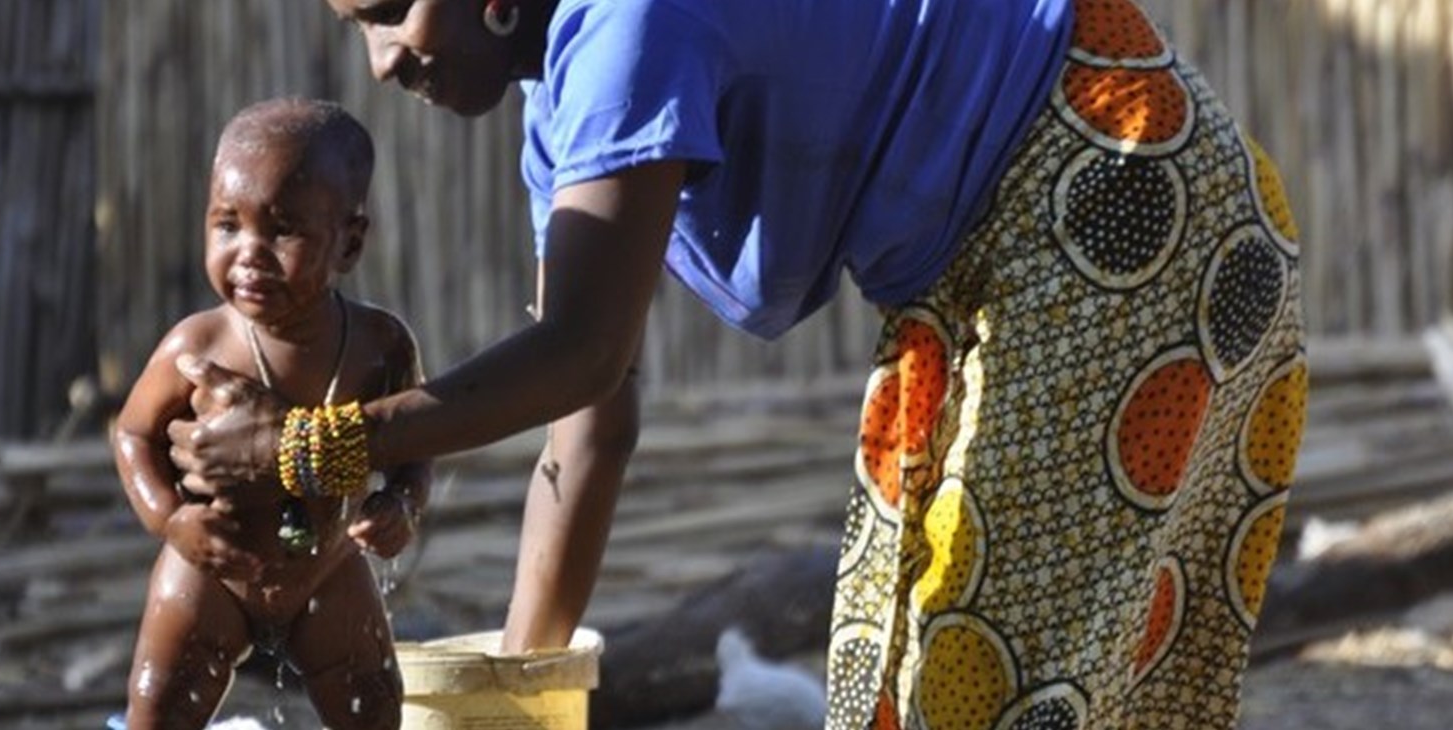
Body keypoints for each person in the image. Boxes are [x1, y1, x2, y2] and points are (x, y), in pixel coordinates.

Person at [167, 0, 1308, 726]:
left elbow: (580, 353)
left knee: (981, 677)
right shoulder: (566, 106)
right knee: (895, 666)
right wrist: (516, 687)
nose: (381, 63)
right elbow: (591, 420)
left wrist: (314, 442)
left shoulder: (633, 21)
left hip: (1113, 200)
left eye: (389, 12)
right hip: (999, 268)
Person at [113, 97, 429, 730]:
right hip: (212, 566)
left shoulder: (380, 347)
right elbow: (132, 434)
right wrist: (171, 520)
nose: (250, 252)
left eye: (282, 229)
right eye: (227, 226)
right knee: (159, 707)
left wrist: (402, 504)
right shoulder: (197, 346)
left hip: (329, 564)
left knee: (375, 706)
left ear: (350, 241)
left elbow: (416, 445)